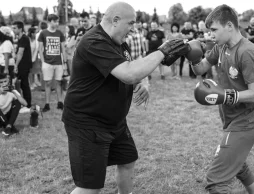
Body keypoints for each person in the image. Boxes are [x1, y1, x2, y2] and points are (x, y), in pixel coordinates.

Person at [61, 2, 188, 194]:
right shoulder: (94, 41)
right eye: (130, 23)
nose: (133, 29)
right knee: (89, 187)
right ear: (115, 20)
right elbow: (129, 73)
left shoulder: (119, 43)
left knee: (127, 159)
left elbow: (130, 69)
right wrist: (163, 51)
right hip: (88, 123)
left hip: (114, 121)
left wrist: (143, 83)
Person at [169, 4, 254, 194]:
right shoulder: (221, 47)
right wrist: (191, 54)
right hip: (230, 118)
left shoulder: (247, 52)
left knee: (216, 180)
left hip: (246, 121)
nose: (211, 35)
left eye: (214, 30)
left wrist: (226, 95)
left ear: (229, 25)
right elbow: (200, 69)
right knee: (238, 165)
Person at [38, 14, 66, 112]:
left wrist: (65, 62)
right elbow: (40, 49)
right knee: (48, 83)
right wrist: (43, 62)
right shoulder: (43, 33)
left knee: (59, 82)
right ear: (50, 21)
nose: (57, 23)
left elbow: (63, 49)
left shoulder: (60, 33)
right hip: (47, 63)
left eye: (58, 21)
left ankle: (60, 102)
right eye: (55, 21)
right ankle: (47, 104)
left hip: (58, 63)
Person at [12, 21, 32, 112]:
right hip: (22, 65)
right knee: (21, 84)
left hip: (24, 65)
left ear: (20, 28)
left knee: (24, 85)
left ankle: (27, 105)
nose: (13, 29)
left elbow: (20, 53)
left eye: (15, 28)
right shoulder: (20, 38)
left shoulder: (24, 38)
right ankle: (24, 103)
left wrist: (16, 65)